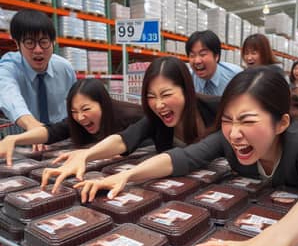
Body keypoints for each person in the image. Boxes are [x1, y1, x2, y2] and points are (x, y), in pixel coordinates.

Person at [74, 67, 298, 246]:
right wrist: (127, 176)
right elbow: (184, 157)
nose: (234, 133)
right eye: (227, 120)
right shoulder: (228, 139)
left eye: (247, 121)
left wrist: (271, 242)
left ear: (281, 123)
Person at [41, 56, 220, 192]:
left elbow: (187, 156)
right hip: (181, 189)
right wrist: (86, 156)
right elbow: (124, 140)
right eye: (151, 97)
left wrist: (126, 175)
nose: (158, 104)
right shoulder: (156, 119)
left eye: (166, 94)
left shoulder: (217, 110)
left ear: (186, 90)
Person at [0, 79, 144, 165]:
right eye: (74, 111)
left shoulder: (132, 116)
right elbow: (52, 132)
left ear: (103, 104)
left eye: (86, 109)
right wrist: (14, 139)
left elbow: (148, 144)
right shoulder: (77, 123)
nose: (80, 117)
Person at [0, 9, 76, 131]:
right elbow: (8, 94)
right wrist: (32, 125)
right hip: (24, 139)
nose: (38, 50)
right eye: (29, 43)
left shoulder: (65, 68)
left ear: (53, 42)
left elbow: (76, 102)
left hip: (61, 138)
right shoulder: (9, 67)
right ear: (17, 44)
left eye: (44, 42)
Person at [186, 30, 242, 96]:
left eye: (203, 54)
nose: (197, 61)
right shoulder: (187, 79)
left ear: (216, 56)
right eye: (192, 55)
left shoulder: (236, 76)